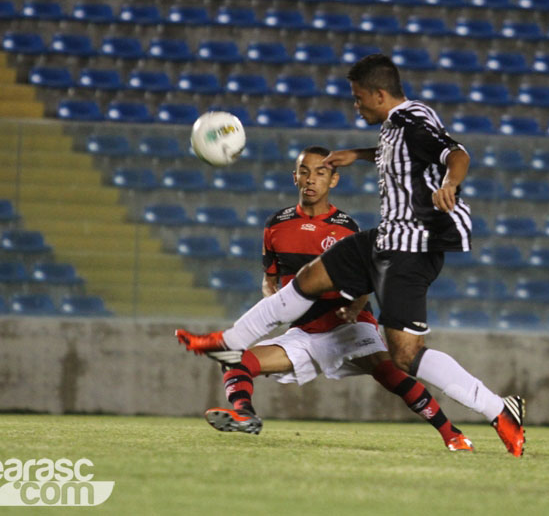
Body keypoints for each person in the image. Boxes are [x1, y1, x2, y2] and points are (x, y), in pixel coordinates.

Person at [176, 54, 525, 457]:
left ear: (380, 95)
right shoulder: (395, 127)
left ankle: (499, 409)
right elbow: (396, 155)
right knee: (308, 279)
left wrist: (450, 182)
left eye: (359, 99)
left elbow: (455, 153)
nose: (355, 106)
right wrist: (356, 155)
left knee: (405, 356)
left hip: (411, 248)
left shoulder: (413, 119)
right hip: (385, 239)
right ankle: (228, 342)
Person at [180, 146, 474, 452]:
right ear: (294, 177)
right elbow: (270, 278)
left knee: (390, 373)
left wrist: (357, 304)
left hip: (348, 327)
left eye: (320, 172)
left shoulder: (347, 229)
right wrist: (274, 298)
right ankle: (244, 413)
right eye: (304, 172)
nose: (311, 179)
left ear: (333, 180)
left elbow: (370, 277)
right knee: (236, 360)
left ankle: (453, 434)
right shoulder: (275, 225)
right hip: (306, 331)